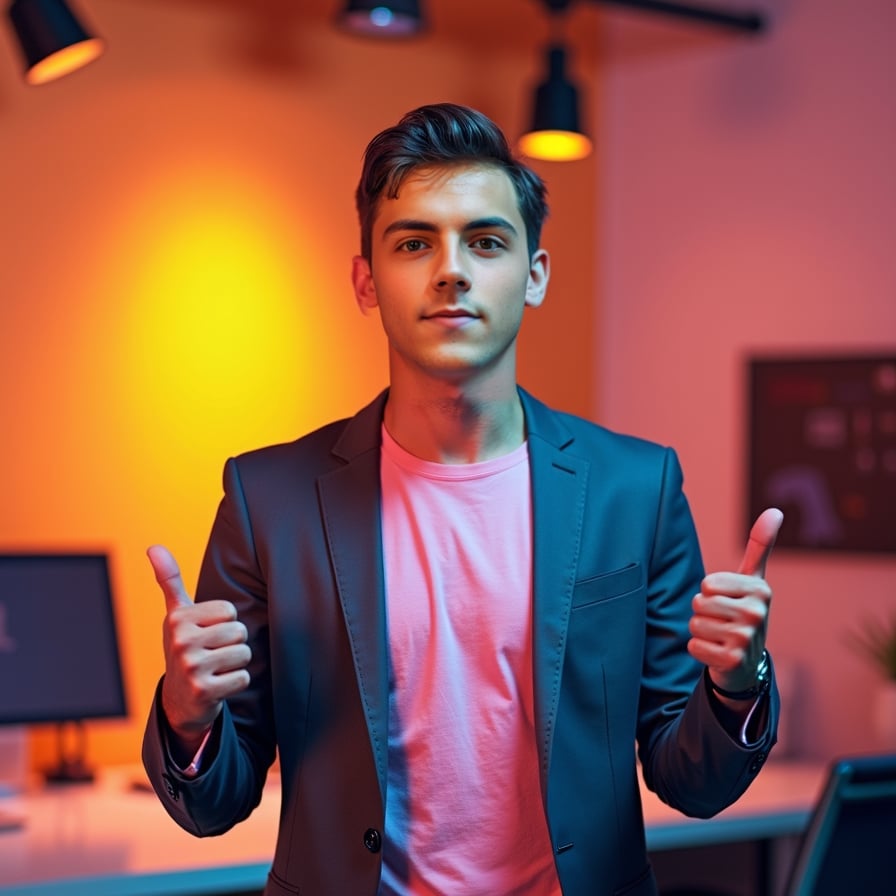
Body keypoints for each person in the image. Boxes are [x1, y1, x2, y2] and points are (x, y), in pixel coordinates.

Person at [142, 103, 783, 896]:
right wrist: (186, 715)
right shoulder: (267, 497)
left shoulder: (636, 488)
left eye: (485, 242)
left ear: (535, 275)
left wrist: (738, 682)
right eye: (415, 243)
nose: (451, 270)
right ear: (365, 281)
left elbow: (694, 782)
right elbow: (216, 804)